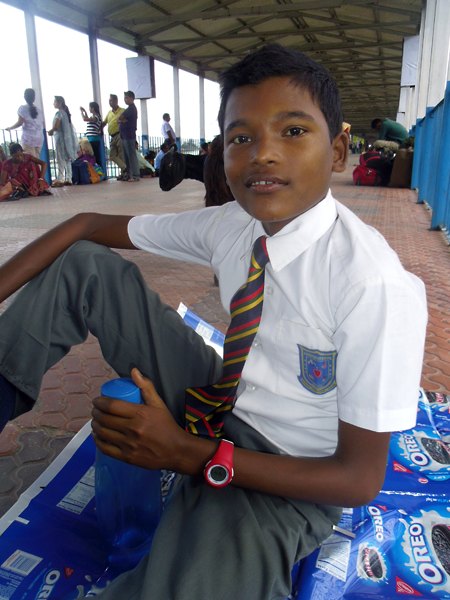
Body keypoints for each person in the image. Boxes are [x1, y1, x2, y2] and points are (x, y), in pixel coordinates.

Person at [0, 44, 427, 599]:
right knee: (86, 269)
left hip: (288, 476)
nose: (263, 154)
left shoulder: (373, 285)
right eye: (240, 138)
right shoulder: (232, 225)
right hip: (221, 399)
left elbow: (358, 479)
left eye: (293, 131)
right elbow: (83, 224)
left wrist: (184, 454)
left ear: (339, 151)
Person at [47, 96, 78, 187]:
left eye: (55, 102)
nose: (53, 103)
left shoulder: (59, 113)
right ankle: (69, 178)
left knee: (60, 158)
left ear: (59, 103)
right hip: (66, 140)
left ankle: (60, 179)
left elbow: (56, 126)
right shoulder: (66, 114)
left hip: (60, 139)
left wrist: (51, 131)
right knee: (67, 159)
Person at [5, 88, 45, 159]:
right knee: (36, 159)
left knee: (29, 160)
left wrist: (10, 128)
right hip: (39, 138)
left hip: (28, 139)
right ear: (34, 97)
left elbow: (20, 122)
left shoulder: (22, 108)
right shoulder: (39, 111)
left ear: (25, 97)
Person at [102, 95, 127, 180]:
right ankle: (125, 168)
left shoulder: (122, 111)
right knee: (112, 156)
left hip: (120, 134)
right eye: (109, 101)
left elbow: (127, 120)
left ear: (116, 101)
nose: (110, 102)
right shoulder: (109, 113)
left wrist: (121, 122)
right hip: (112, 136)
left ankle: (124, 174)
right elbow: (104, 122)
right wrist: (99, 129)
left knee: (121, 155)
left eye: (111, 100)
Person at [118, 91, 140, 182]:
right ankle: (129, 174)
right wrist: (121, 121)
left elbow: (120, 117)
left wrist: (121, 120)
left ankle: (135, 175)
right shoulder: (129, 109)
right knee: (127, 156)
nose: (125, 99)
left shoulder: (131, 109)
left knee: (131, 156)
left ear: (131, 98)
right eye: (124, 98)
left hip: (129, 136)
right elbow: (120, 119)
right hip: (125, 135)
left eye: (126, 97)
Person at [80, 102, 103, 171]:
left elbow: (85, 119)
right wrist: (85, 112)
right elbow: (88, 119)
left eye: (90, 107)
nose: (89, 109)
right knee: (93, 156)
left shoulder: (96, 117)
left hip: (93, 139)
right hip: (91, 139)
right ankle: (96, 171)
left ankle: (98, 171)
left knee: (94, 156)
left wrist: (82, 112)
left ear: (93, 108)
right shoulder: (95, 116)